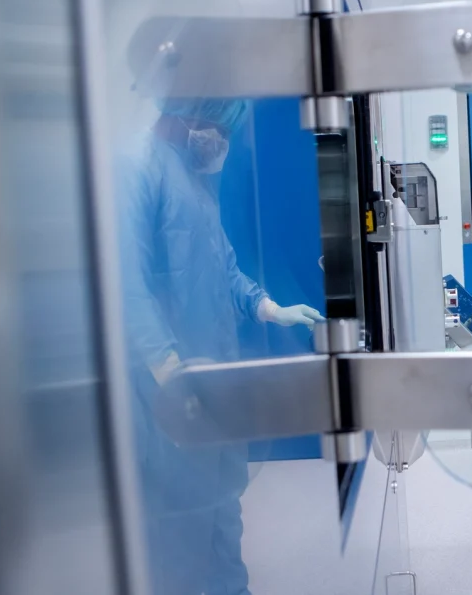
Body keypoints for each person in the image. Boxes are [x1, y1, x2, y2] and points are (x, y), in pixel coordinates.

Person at [117, 98, 324, 595]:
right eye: (216, 125)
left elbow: (223, 269)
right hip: (167, 389)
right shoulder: (136, 167)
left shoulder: (197, 182)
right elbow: (127, 284)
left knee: (224, 505)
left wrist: (268, 307)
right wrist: (169, 368)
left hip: (216, 379)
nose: (220, 138)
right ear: (185, 114)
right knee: (181, 520)